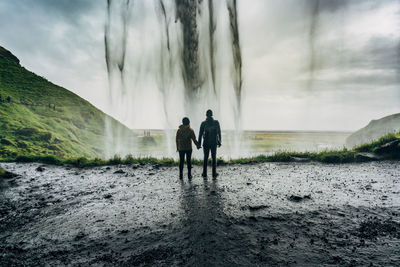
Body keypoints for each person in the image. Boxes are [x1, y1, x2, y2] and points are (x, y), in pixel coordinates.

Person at [198, 109, 221, 178]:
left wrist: (199, 143)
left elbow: (200, 134)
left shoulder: (203, 123)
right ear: (212, 114)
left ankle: (204, 173)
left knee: (205, 157)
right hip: (214, 142)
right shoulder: (216, 122)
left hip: (206, 143)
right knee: (214, 158)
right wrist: (220, 141)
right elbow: (219, 133)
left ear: (206, 115)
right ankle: (214, 173)